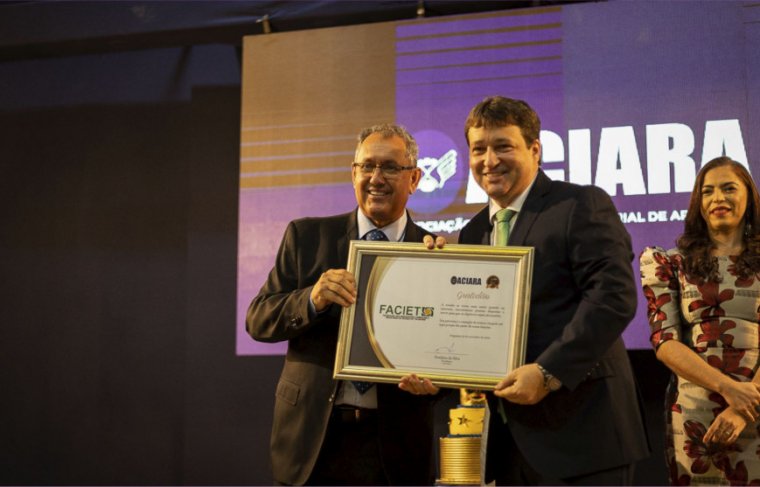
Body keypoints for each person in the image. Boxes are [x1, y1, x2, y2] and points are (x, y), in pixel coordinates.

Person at [457, 96, 649, 485]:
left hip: (584, 438)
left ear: (534, 149)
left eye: (503, 146)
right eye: (479, 149)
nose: (489, 160)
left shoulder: (579, 203)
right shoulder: (472, 232)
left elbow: (613, 296)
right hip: (510, 446)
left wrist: (548, 373)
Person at [246, 123, 442, 486]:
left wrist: (437, 384)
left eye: (389, 167)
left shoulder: (437, 253)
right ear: (353, 174)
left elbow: (451, 351)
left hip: (396, 447)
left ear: (414, 179)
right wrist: (311, 299)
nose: (376, 178)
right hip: (312, 443)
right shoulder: (306, 237)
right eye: (367, 166)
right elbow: (258, 320)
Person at [640, 156, 760, 485]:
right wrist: (727, 388)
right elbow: (664, 342)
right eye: (707, 192)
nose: (717, 198)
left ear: (748, 197)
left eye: (728, 188)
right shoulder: (668, 262)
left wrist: (743, 404)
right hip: (695, 414)